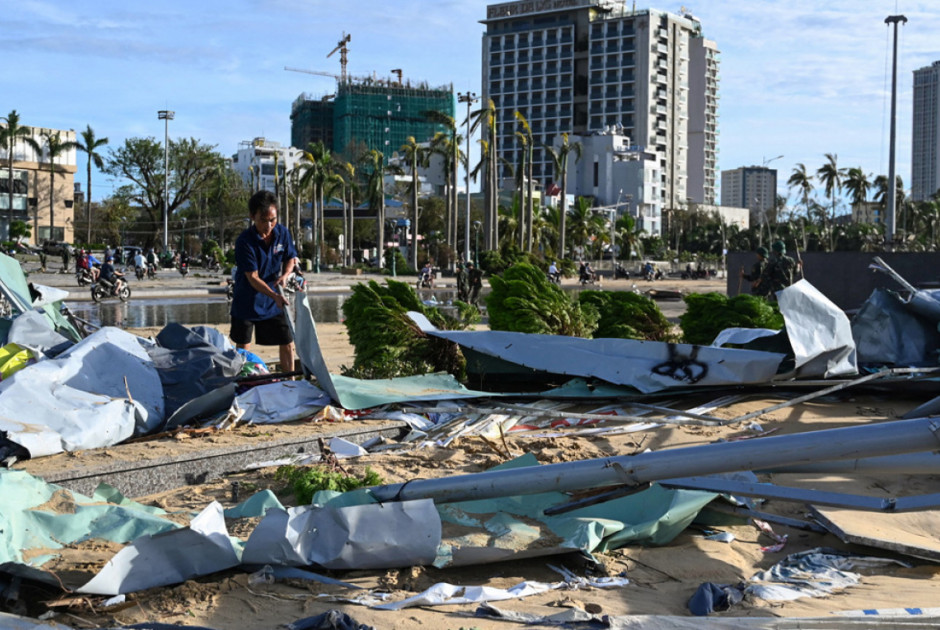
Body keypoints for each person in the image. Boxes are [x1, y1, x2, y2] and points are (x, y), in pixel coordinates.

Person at [230, 189, 298, 372]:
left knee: (287, 340)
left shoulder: (282, 233)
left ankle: (290, 380)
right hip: (247, 300)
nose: (269, 225)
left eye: (272, 220)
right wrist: (275, 295)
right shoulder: (244, 242)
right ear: (253, 216)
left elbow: (290, 258)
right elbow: (252, 277)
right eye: (263, 220)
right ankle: (243, 380)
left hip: (274, 301)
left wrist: (286, 275)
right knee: (243, 347)